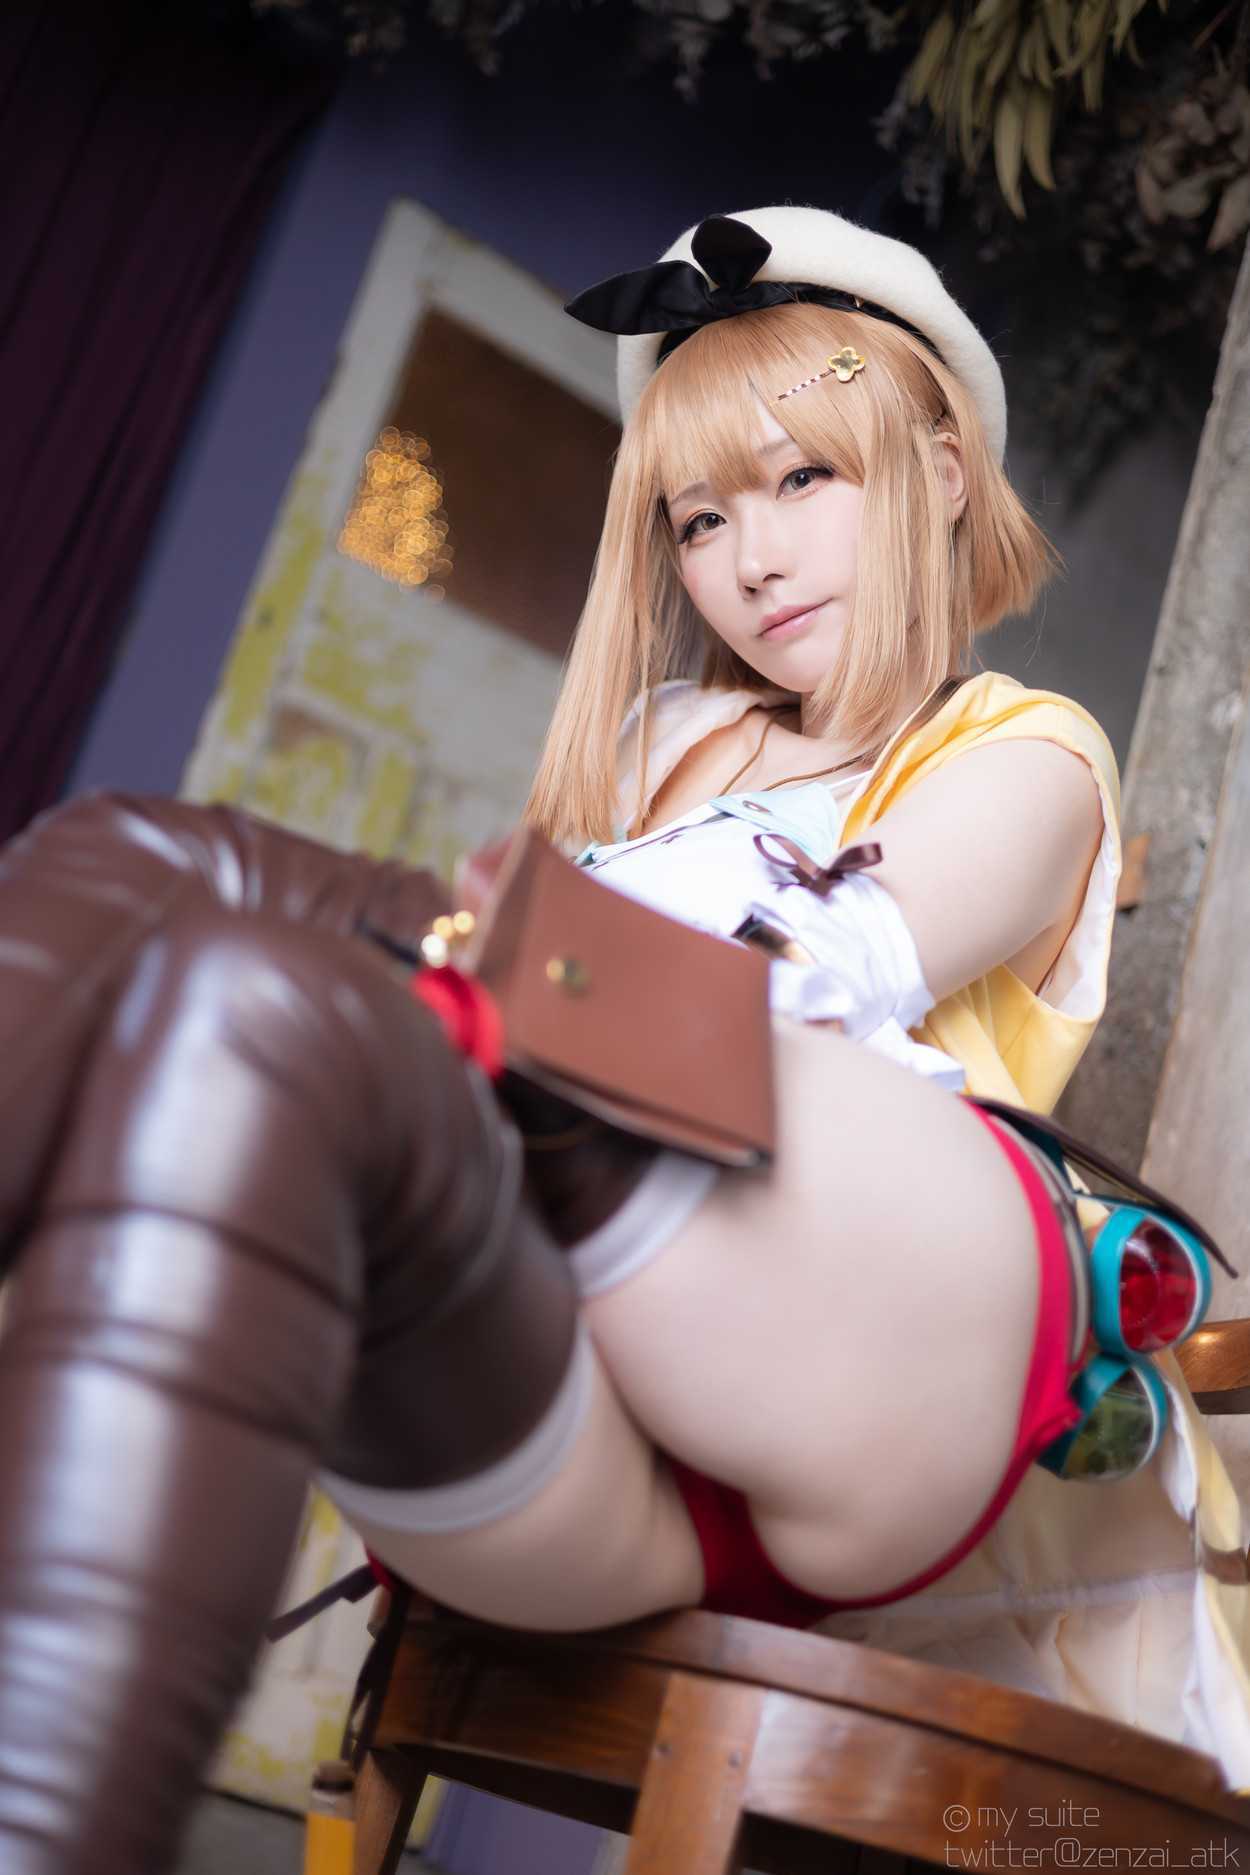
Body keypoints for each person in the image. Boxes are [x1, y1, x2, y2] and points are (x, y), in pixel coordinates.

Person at [0, 206, 1239, 1875]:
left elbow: (818, 973)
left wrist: (472, 964)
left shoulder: (1026, 752)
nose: (751, 557)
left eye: (803, 479)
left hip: (859, 1391)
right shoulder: (662, 745)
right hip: (583, 1437)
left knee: (359, 959)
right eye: (700, 516)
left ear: (942, 473)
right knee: (196, 943)